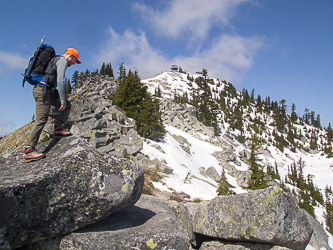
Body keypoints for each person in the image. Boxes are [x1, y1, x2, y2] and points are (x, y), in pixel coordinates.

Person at [24, 48, 81, 163]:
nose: (74, 63)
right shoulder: (62, 61)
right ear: (71, 56)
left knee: (68, 105)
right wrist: (63, 100)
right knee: (41, 119)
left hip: (48, 91)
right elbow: (60, 80)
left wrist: (59, 96)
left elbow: (51, 78)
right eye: (75, 60)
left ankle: (58, 129)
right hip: (43, 91)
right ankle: (29, 150)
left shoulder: (56, 60)